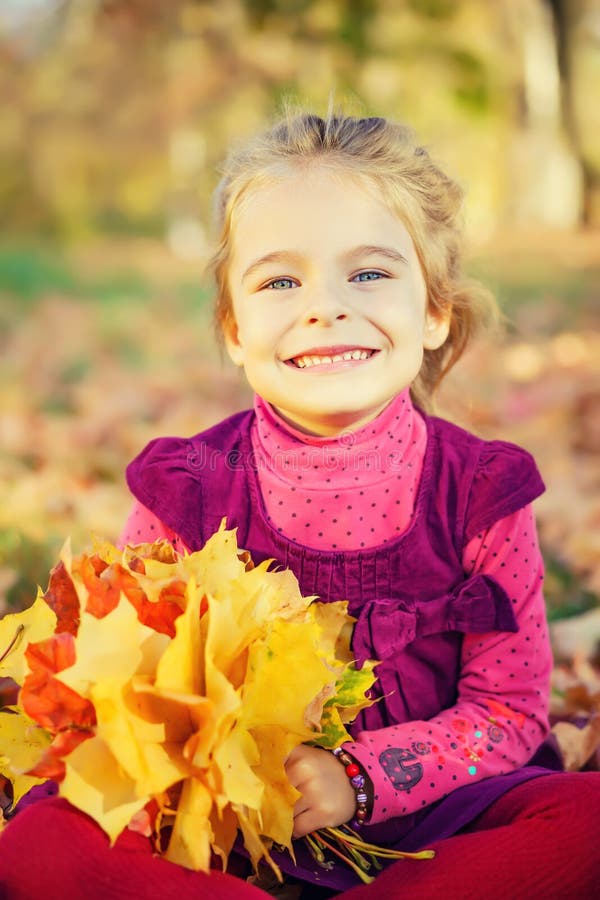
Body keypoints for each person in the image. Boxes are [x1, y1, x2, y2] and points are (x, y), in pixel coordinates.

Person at [1, 110, 599, 900]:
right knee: (43, 840)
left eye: (370, 273)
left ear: (433, 312)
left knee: (586, 822)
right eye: (281, 281)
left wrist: (359, 777)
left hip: (436, 820)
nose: (325, 306)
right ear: (234, 329)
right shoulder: (189, 484)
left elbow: (509, 711)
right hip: (230, 829)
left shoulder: (481, 489)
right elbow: (131, 689)